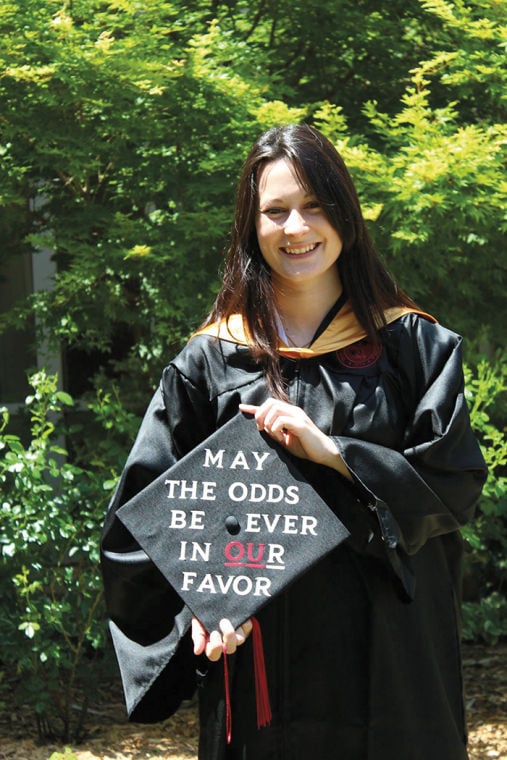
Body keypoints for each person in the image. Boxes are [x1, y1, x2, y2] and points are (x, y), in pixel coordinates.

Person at [100, 123, 487, 759]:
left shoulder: (415, 348)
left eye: (314, 205)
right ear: (251, 227)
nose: (296, 228)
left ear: (345, 214)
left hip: (392, 671)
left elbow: (454, 487)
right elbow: (140, 531)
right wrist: (197, 612)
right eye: (275, 211)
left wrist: (335, 454)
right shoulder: (212, 362)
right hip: (262, 679)